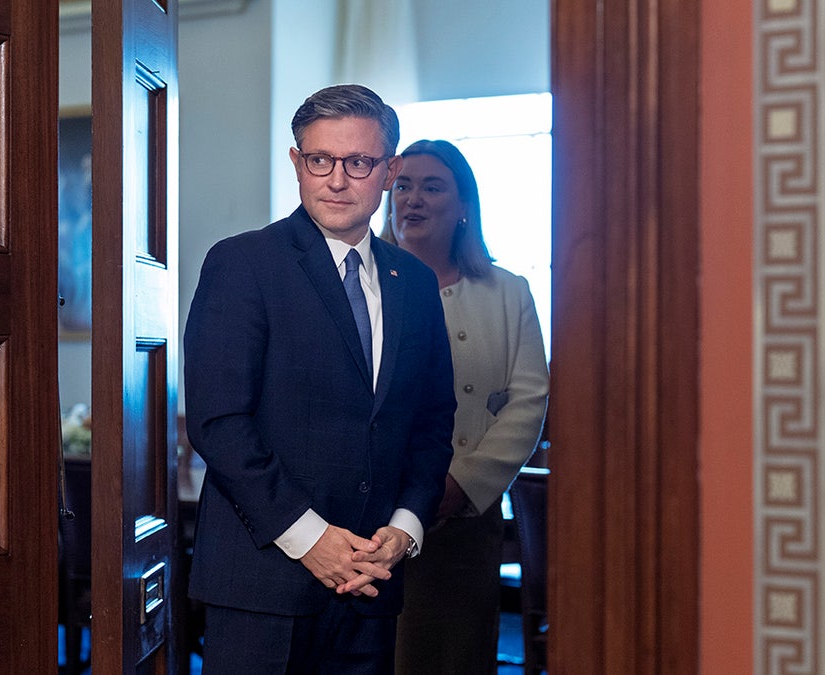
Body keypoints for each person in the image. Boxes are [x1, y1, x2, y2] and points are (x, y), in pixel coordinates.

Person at [183, 85, 458, 674]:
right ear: (296, 162)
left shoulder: (414, 282)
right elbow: (218, 423)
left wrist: (405, 528)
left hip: (371, 583)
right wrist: (311, 538)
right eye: (319, 160)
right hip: (262, 586)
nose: (336, 180)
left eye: (358, 162)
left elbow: (433, 423)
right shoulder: (242, 263)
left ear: (389, 171)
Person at [384, 139, 550, 675]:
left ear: (464, 207)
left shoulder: (508, 292)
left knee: (455, 657)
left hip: (465, 518)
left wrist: (461, 485)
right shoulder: (364, 282)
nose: (414, 198)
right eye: (403, 185)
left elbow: (529, 400)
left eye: (432, 187)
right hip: (372, 517)